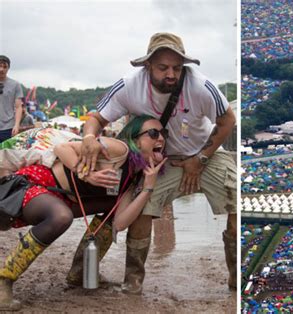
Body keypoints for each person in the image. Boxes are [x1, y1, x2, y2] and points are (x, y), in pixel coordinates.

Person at [73, 32, 237, 293]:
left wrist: (201, 157)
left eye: (176, 67)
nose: (171, 74)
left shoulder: (201, 86)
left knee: (237, 204)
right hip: (164, 160)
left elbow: (227, 120)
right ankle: (133, 282)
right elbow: (97, 117)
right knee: (142, 209)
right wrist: (90, 137)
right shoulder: (128, 85)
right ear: (147, 65)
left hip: (206, 154)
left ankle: (236, 279)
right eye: (163, 68)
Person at [0, 115, 167, 310]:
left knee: (112, 205)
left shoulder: (135, 176)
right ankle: (4, 280)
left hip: (62, 198)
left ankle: (80, 272)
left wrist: (148, 188)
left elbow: (119, 223)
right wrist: (88, 174)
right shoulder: (118, 149)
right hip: (37, 183)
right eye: (153, 134)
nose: (161, 139)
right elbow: (62, 149)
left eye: (164, 134)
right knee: (62, 217)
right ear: (134, 138)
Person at [0, 56, 23, 143]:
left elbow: (18, 107)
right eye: (0, 66)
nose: (1, 69)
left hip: (8, 127)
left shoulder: (15, 85)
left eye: (4, 67)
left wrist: (16, 125)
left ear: (8, 68)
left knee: (7, 154)